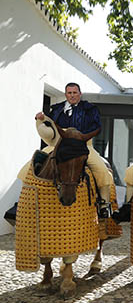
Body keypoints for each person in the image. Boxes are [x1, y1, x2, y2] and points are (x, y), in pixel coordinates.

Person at [20, 82, 113, 217]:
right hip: (58, 144)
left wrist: (78, 136)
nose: (72, 95)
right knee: (28, 169)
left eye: (75, 93)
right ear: (66, 94)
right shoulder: (57, 109)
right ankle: (24, 201)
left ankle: (104, 204)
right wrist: (41, 118)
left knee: (101, 170)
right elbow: (49, 124)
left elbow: (96, 126)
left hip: (83, 144)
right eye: (69, 93)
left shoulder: (90, 109)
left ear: (80, 94)